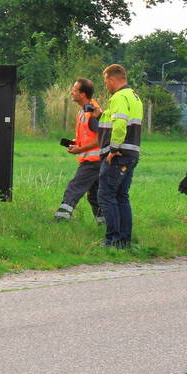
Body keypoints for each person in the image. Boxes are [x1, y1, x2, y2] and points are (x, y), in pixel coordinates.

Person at [97, 64, 144, 249]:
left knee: (106, 195)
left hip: (119, 154)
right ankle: (124, 241)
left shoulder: (118, 97)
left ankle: (112, 241)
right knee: (122, 196)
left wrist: (113, 148)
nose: (106, 86)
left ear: (111, 79)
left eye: (105, 82)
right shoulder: (134, 97)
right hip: (132, 152)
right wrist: (101, 115)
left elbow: (119, 124)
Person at [53, 78, 105, 223]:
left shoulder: (92, 113)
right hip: (95, 160)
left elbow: (100, 139)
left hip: (93, 161)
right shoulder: (84, 110)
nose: (71, 92)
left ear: (82, 94)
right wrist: (75, 144)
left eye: (74, 90)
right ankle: (105, 223)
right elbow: (88, 136)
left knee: (74, 188)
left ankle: (61, 218)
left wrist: (79, 149)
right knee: (94, 195)